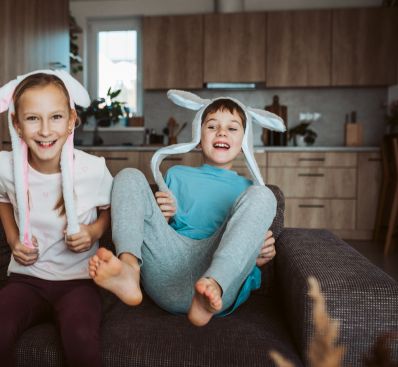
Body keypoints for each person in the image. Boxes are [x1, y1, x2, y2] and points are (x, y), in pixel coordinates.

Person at [89, 94, 284, 327]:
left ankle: (213, 285)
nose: (222, 133)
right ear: (198, 138)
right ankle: (129, 270)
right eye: (212, 126)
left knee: (264, 194)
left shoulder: (249, 191)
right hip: (168, 270)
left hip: (219, 281)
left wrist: (255, 256)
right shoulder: (175, 175)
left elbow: (244, 247)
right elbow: (160, 231)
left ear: (245, 144)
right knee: (127, 175)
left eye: (232, 128)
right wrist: (161, 216)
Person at [0, 71, 113, 367]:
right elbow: (2, 199)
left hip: (79, 282)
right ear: (16, 124)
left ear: (71, 121)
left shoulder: (93, 169)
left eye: (55, 117)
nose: (45, 129)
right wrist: (13, 240)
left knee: (81, 339)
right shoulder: (5, 166)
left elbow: (111, 211)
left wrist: (93, 232)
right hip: (27, 280)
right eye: (33, 119)